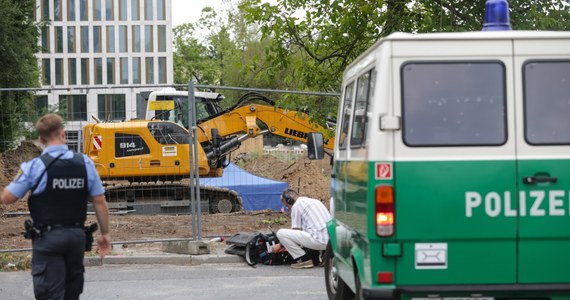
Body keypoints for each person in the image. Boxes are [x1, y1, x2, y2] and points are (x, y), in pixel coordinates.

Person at [1, 113, 111, 300]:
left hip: (48, 239)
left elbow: (8, 198)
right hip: (76, 238)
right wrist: (105, 234)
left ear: (41, 140)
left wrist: (19, 175)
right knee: (71, 293)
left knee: (50, 294)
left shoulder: (34, 166)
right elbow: (99, 201)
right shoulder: (84, 163)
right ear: (63, 134)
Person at [271, 188, 332, 269]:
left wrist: (280, 245)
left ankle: (304, 260)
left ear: (289, 201)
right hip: (331, 241)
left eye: (286, 205)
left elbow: (296, 231)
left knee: (281, 233)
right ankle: (325, 255)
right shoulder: (314, 201)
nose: (288, 208)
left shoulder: (296, 206)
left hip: (319, 241)